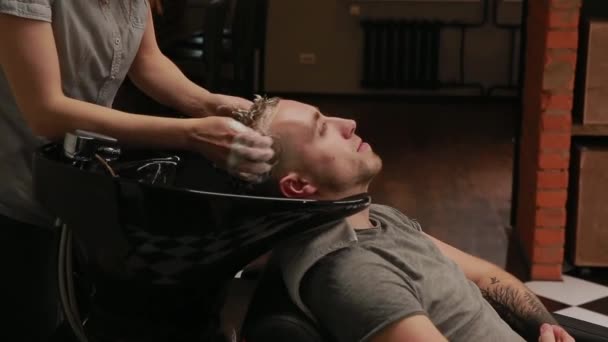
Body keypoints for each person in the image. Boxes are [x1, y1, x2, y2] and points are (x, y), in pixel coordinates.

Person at [0, 1, 274, 341]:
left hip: (69, 183)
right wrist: (193, 134)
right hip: (12, 184)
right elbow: (45, 112)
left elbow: (148, 62)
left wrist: (212, 103)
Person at [232, 96, 575, 342]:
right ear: (298, 185)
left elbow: (487, 278)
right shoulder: (353, 274)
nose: (348, 124)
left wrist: (551, 329)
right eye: (322, 130)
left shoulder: (375, 217)